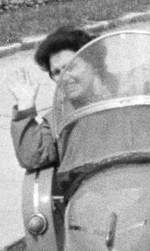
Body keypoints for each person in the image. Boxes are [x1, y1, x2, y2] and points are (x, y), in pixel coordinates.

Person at [8, 26, 97, 172]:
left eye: (71, 67)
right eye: (56, 72)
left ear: (93, 62)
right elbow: (32, 158)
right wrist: (25, 107)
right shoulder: (57, 118)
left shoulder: (130, 92)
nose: (64, 78)